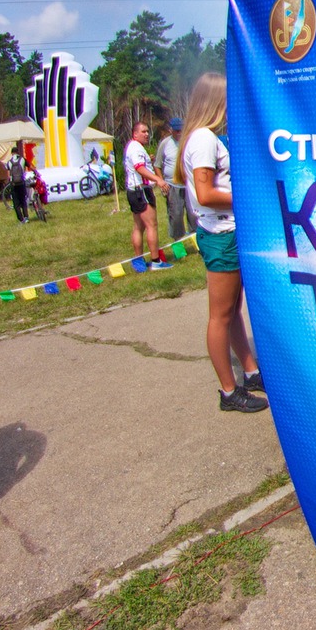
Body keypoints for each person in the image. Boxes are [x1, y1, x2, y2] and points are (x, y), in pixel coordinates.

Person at [176, 72, 267, 414]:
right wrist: (248, 197)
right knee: (220, 316)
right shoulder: (203, 139)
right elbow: (205, 194)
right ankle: (229, 391)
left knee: (231, 312)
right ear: (215, 100)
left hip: (226, 232)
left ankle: (250, 372)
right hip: (221, 235)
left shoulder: (206, 137)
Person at [124, 122, 173, 268]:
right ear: (135, 134)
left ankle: (139, 262)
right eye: (143, 132)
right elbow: (139, 168)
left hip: (133, 190)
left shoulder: (133, 147)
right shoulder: (136, 148)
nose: (147, 134)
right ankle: (156, 261)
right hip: (141, 190)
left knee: (138, 227)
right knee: (152, 225)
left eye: (147, 131)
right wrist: (158, 179)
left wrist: (148, 160)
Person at [156, 117, 195, 240]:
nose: (179, 133)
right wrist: (161, 182)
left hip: (188, 184)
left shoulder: (189, 142)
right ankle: (178, 245)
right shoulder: (165, 143)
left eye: (181, 130)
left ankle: (198, 243)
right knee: (176, 216)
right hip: (172, 185)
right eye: (177, 131)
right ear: (171, 130)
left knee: (193, 215)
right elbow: (157, 165)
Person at [4, 143, 29, 224]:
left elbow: (8, 174)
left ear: (12, 153)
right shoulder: (22, 159)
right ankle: (26, 217)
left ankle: (21, 220)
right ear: (18, 152)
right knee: (23, 200)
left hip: (13, 184)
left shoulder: (9, 162)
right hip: (21, 183)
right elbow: (29, 166)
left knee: (16, 203)